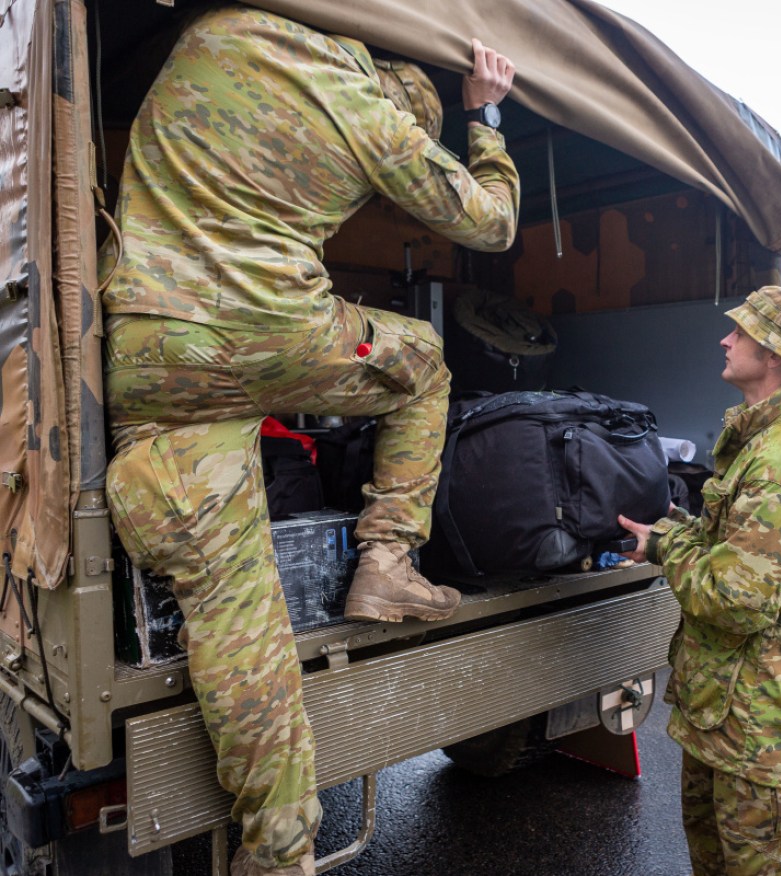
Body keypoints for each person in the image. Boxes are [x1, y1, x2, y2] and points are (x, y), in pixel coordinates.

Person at [99, 6, 519, 874]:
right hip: (272, 333)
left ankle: (278, 842)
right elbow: (492, 225)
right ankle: (387, 562)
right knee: (427, 360)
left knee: (235, 626)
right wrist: (485, 119)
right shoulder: (371, 113)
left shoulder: (208, 35)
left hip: (148, 354)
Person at [618, 286, 781, 876]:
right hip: (729, 713)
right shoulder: (761, 442)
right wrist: (680, 529)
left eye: (739, 332)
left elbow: (734, 599)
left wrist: (665, 547)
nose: (725, 339)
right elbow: (736, 554)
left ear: (774, 355)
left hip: (757, 729)